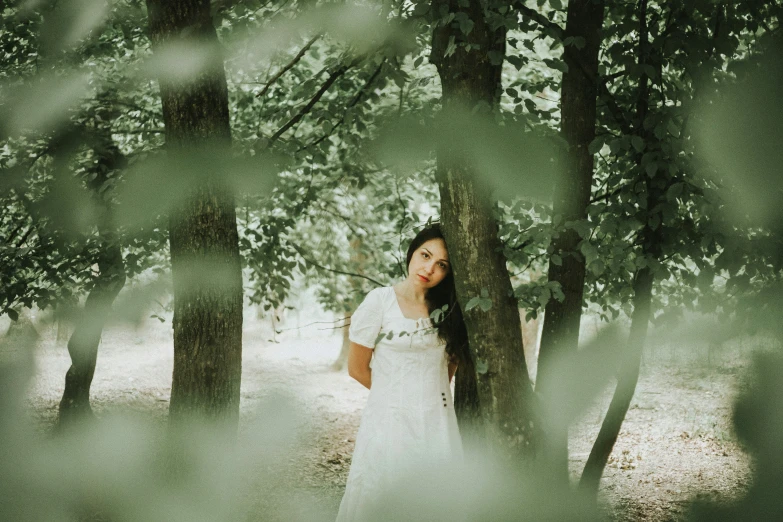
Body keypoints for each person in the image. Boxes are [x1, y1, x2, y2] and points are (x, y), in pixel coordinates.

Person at [335, 224, 468, 521]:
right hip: (389, 421)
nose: (428, 268)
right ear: (412, 252)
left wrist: (427, 403)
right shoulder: (380, 302)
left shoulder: (448, 310)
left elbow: (447, 369)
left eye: (441, 265)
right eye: (425, 255)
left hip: (437, 422)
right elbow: (357, 369)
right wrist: (398, 399)